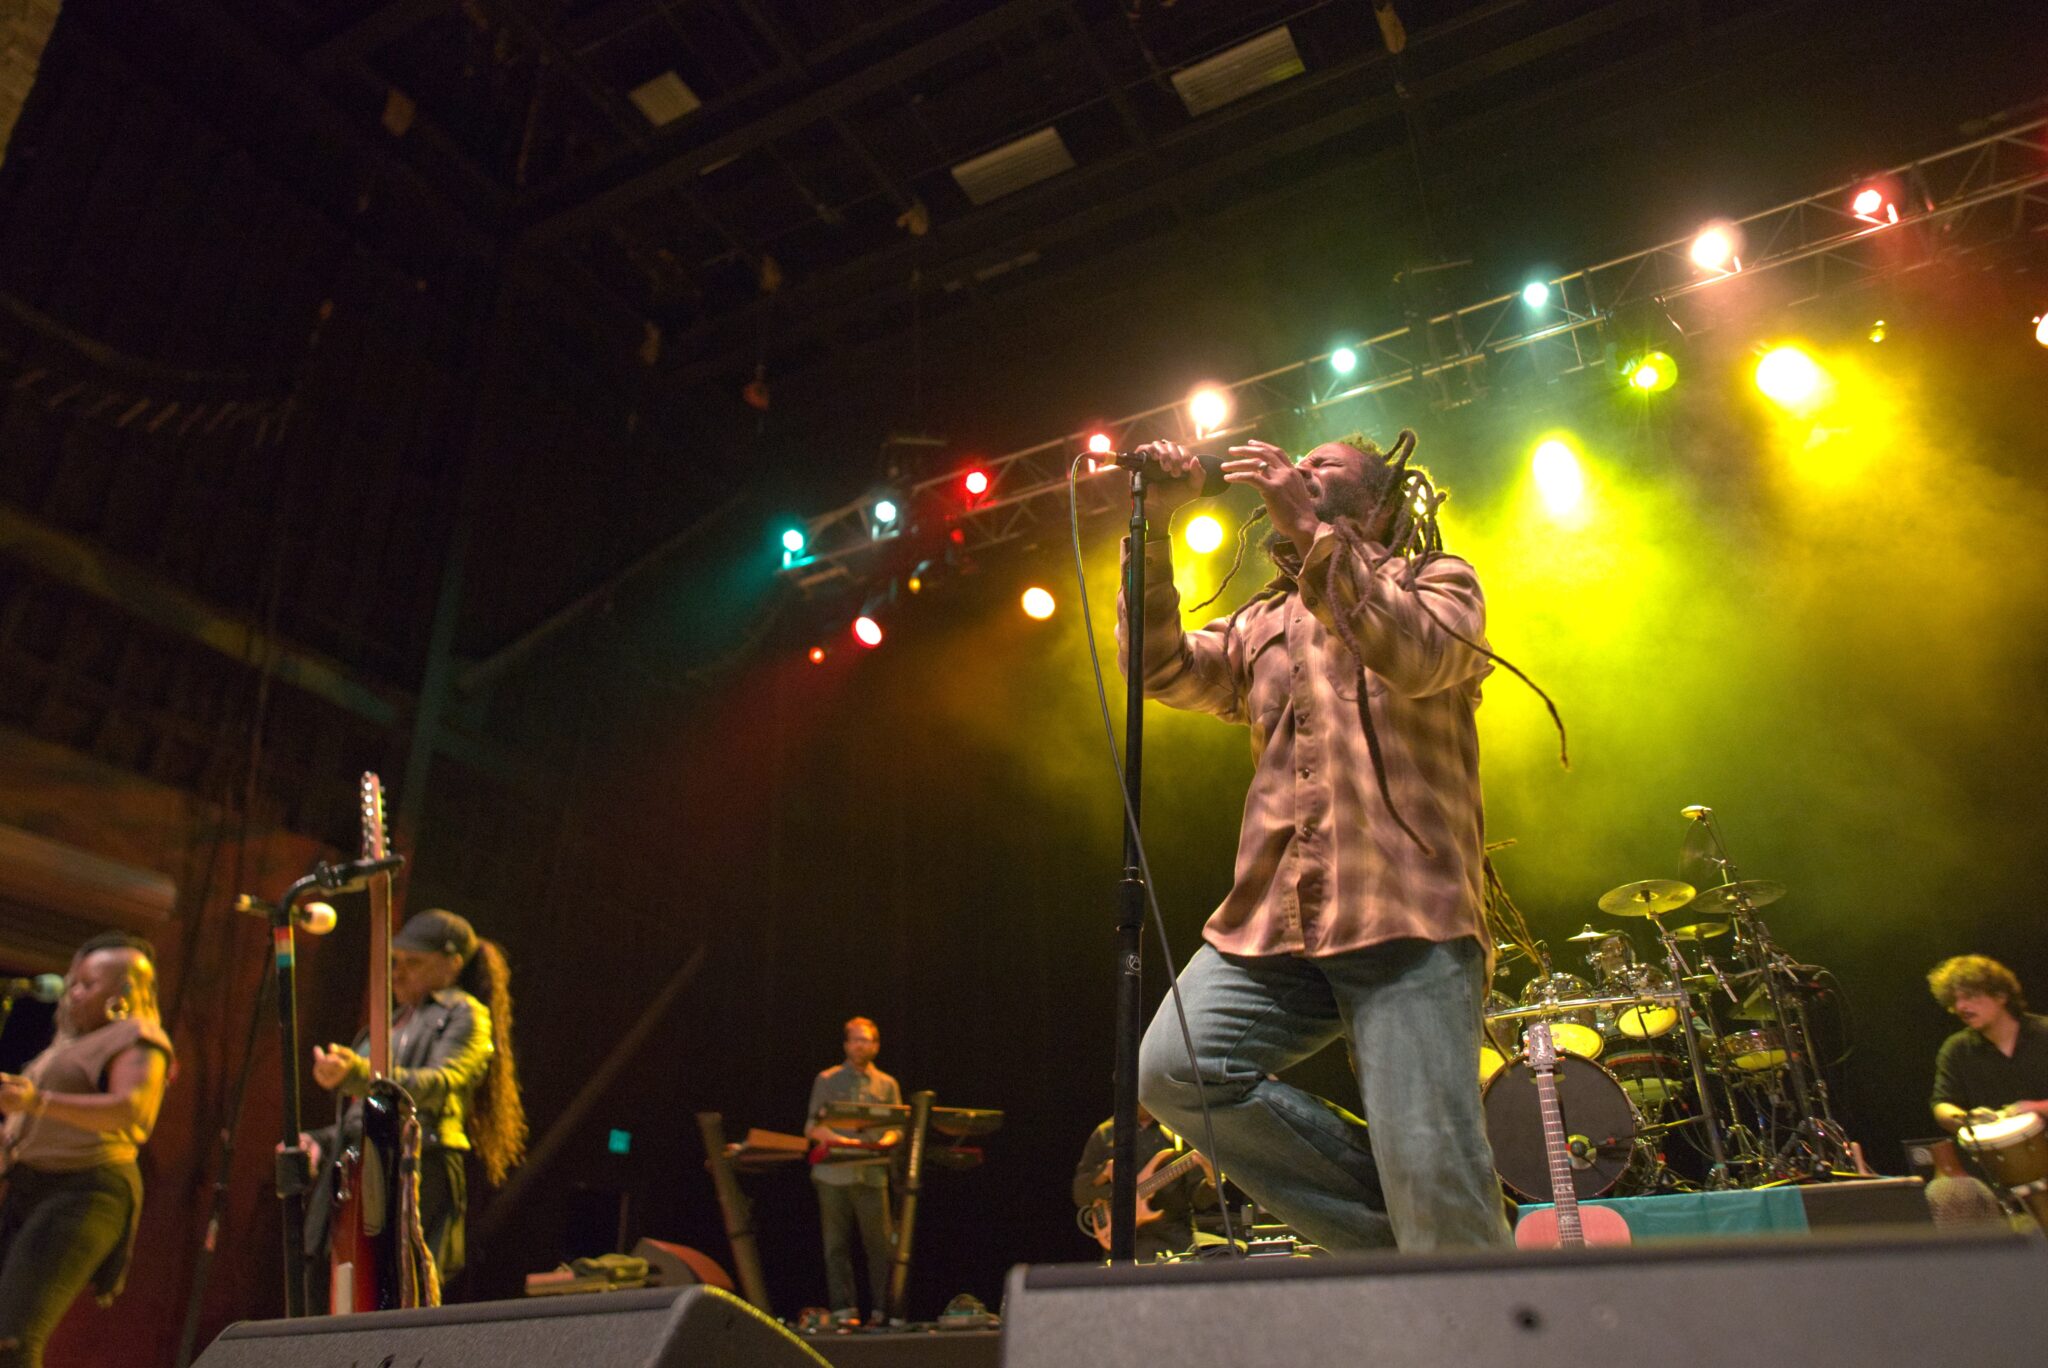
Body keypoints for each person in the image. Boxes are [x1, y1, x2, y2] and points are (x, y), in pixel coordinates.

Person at [1120, 430, 1550, 1253]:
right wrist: (1156, 528)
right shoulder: (1263, 620)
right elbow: (1159, 668)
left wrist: (1313, 536)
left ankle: (1443, 1244)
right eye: (1301, 464)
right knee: (1174, 1069)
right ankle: (1415, 1243)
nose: (1303, 470)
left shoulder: (1437, 582)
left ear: (1379, 503)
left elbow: (1418, 657)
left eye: (1327, 468)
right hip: (1276, 922)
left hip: (1406, 916)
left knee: (1430, 1162)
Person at [305, 909, 526, 1295]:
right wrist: (319, 1141)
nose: (398, 973)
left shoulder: (465, 1015)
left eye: (414, 963)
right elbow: (360, 1114)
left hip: (420, 1165)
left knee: (397, 1289)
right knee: (343, 1290)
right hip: (362, 1168)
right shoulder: (388, 1024)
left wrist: (360, 1074)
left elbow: (442, 1082)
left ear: (453, 964)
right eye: (395, 961)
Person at [0, 934, 173, 1368]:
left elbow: (131, 1111)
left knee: (12, 1340)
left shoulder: (138, 1036)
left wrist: (36, 1101)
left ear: (124, 992)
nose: (73, 992)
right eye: (74, 982)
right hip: (29, 1189)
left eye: (88, 984)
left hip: (84, 1191)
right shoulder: (67, 1045)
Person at [803, 1017, 900, 1327]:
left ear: (876, 1046)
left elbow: (898, 1127)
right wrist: (840, 1141)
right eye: (855, 1040)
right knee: (836, 1245)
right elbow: (812, 1127)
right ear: (846, 1045)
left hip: (871, 1173)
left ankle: (883, 1311)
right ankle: (844, 1312)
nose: (861, 1045)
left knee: (881, 1246)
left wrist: (888, 1140)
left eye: (866, 1040)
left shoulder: (887, 1084)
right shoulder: (827, 1079)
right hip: (833, 1174)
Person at [1071, 1104, 1216, 1261]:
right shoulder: (1105, 1134)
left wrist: (1213, 1180)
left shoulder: (1179, 1130)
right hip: (1124, 1247)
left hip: (1175, 1242)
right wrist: (1109, 1179)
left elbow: (1200, 1201)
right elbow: (1080, 1193)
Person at [1928, 954, 2048, 1133]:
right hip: (1997, 1150)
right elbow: (1942, 1104)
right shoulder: (1957, 1049)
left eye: (1969, 996)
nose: (1960, 1007)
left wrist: (2036, 1107)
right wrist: (1967, 1119)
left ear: (2000, 995)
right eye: (1954, 1001)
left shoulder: (2044, 1033)